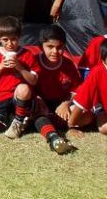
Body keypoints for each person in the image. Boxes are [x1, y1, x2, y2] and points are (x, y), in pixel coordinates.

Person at [0, 16, 39, 138]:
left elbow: (33, 81)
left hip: (19, 97)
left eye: (14, 39)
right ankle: (10, 118)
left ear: (19, 38)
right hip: (0, 96)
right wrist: (1, 66)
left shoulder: (27, 54)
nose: (10, 43)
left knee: (24, 88)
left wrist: (20, 68)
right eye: (5, 39)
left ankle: (17, 122)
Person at [29, 24, 78, 154]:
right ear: (41, 46)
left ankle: (68, 125)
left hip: (61, 105)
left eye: (59, 47)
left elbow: (76, 90)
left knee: (81, 112)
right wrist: (36, 98)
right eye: (50, 47)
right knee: (37, 113)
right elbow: (26, 86)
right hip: (40, 103)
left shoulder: (68, 64)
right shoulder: (34, 61)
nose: (55, 52)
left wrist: (66, 103)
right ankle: (53, 136)